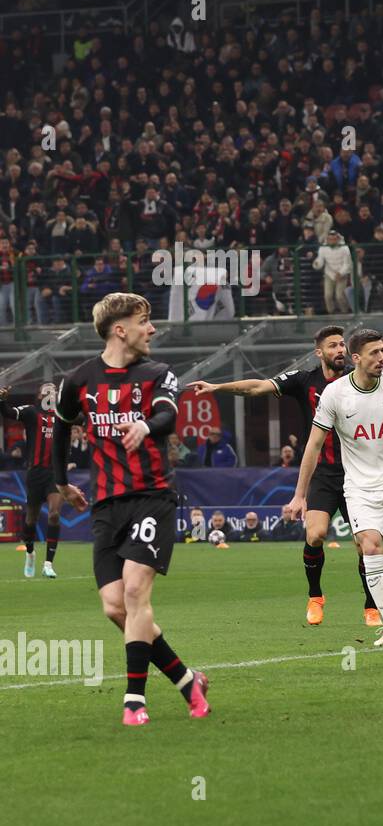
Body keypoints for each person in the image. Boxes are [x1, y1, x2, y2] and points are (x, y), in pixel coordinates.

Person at [188, 326, 383, 626]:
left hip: (358, 475)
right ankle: (315, 596)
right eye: (332, 346)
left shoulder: (365, 376)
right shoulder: (305, 381)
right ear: (319, 352)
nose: (339, 350)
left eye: (342, 345)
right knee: (315, 534)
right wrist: (217, 388)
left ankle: (371, 606)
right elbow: (257, 388)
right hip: (325, 474)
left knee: (365, 544)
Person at [50, 292, 210, 725]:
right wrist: (62, 482)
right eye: (145, 321)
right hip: (105, 503)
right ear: (120, 329)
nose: (152, 328)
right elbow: (60, 432)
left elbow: (167, 415)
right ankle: (187, 681)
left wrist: (144, 424)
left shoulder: (159, 374)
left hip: (152, 497)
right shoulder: (78, 380)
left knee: (137, 593)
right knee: (115, 606)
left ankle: (134, 701)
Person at [284, 328, 383, 647]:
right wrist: (300, 494)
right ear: (356, 358)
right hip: (359, 486)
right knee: (370, 547)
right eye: (374, 353)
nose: (382, 358)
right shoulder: (335, 394)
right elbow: (314, 446)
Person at [0, 383, 64, 577]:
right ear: (39, 394)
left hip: (55, 472)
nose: (50, 390)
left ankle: (48, 565)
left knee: (54, 514)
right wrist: (2, 399)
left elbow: (82, 417)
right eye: (46, 388)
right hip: (35, 473)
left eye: (53, 388)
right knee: (31, 519)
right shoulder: (31, 412)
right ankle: (30, 553)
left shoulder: (62, 413)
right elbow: (9, 413)